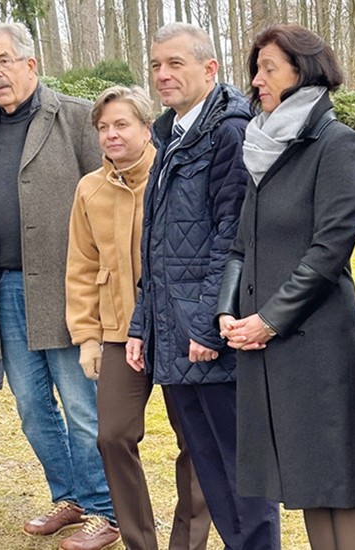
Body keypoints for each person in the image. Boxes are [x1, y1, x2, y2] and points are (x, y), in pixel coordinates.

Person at [217, 24, 355, 550]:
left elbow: (329, 251)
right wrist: (228, 311)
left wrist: (270, 320)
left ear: (305, 72)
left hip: (319, 344)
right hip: (265, 346)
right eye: (256, 69)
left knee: (341, 481)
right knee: (307, 482)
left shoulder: (337, 144)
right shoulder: (263, 146)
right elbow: (240, 246)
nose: (256, 80)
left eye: (269, 68)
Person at [125, 23, 280, 550]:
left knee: (242, 474)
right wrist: (142, 325)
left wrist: (209, 327)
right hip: (174, 337)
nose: (163, 75)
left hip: (212, 338)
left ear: (210, 69)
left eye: (176, 63)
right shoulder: (170, 134)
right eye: (156, 65)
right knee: (210, 472)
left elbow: (232, 237)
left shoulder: (229, 131)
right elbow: (157, 245)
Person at [0, 21, 117, 550]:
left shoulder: (75, 118)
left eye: (3, 60)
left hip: (68, 287)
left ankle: (106, 510)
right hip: (6, 289)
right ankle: (69, 497)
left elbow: (109, 199)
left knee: (81, 404)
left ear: (31, 63)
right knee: (32, 408)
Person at [66, 84, 211, 550]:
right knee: (112, 436)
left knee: (196, 440)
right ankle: (138, 541)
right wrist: (87, 337)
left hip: (177, 330)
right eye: (103, 127)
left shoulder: (174, 177)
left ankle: (187, 542)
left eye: (121, 124)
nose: (111, 134)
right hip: (117, 332)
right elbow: (81, 267)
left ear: (148, 128)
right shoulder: (89, 189)